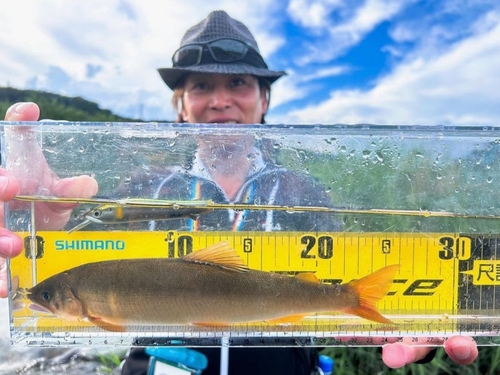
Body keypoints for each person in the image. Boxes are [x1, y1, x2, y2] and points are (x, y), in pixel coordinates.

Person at [0, 10, 477, 374]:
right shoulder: (141, 190)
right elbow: (80, 286)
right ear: (181, 105)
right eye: (201, 85)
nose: (220, 99)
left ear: (264, 99)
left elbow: (341, 298)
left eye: (238, 83)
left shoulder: (306, 193)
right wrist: (41, 240)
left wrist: (417, 315)